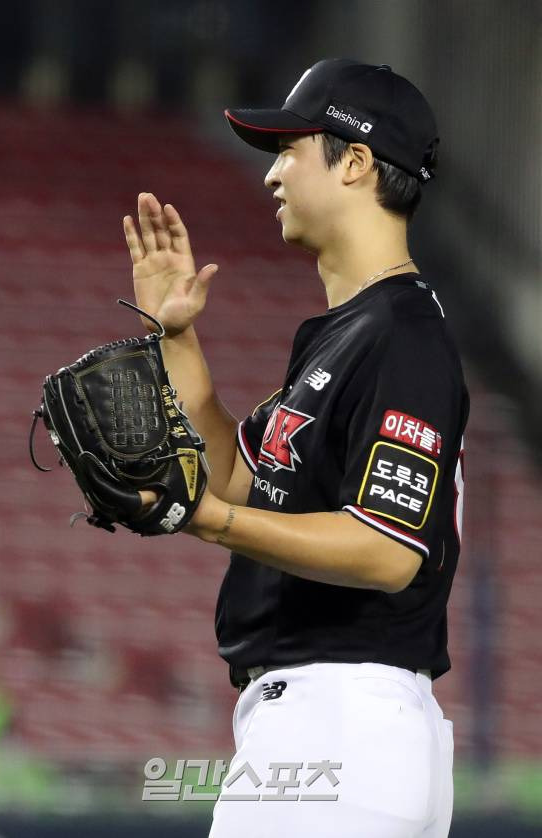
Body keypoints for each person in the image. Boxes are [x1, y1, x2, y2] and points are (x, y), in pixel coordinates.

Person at [123, 59, 469, 838]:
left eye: (290, 148)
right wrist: (175, 337)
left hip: (342, 722)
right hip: (335, 730)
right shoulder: (350, 336)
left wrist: (204, 520)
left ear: (355, 161)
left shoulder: (400, 336)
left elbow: (385, 551)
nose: (273, 172)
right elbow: (240, 480)